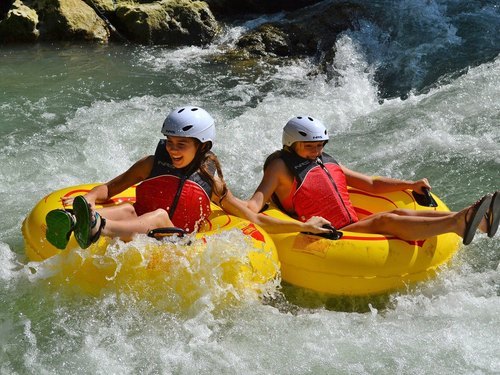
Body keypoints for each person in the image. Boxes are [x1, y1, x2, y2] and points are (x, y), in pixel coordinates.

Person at [45, 106, 333, 250]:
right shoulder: (150, 164)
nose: (172, 149)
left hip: (177, 242)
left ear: (202, 146)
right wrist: (91, 197)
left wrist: (300, 226)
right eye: (169, 142)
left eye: (181, 144)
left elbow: (252, 218)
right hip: (141, 228)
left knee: (157, 214)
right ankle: (76, 221)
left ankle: (99, 227)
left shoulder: (211, 181)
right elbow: (113, 186)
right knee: (127, 207)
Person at [244, 115, 500, 245]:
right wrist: (231, 207)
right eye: (310, 146)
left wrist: (410, 185)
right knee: (385, 219)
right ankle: (459, 223)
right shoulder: (280, 167)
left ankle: (472, 220)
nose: (317, 151)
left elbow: (370, 184)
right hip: (326, 235)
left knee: (400, 211)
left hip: (348, 225)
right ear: (290, 144)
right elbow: (255, 204)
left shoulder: (323, 160)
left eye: (321, 145)